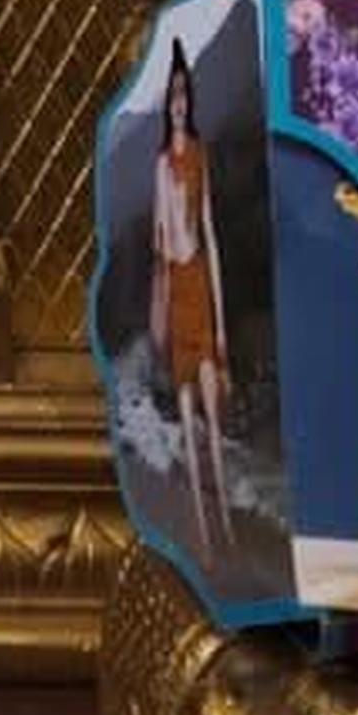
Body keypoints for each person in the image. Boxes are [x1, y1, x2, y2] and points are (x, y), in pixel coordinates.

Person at [147, 41, 233, 563]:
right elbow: (161, 243)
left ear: (189, 101)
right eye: (172, 95)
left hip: (199, 280)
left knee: (212, 417)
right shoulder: (161, 164)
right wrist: (156, 312)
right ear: (165, 105)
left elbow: (211, 234)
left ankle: (228, 525)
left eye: (184, 94)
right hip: (176, 285)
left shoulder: (201, 154)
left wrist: (221, 326)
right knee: (184, 412)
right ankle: (203, 535)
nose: (178, 103)